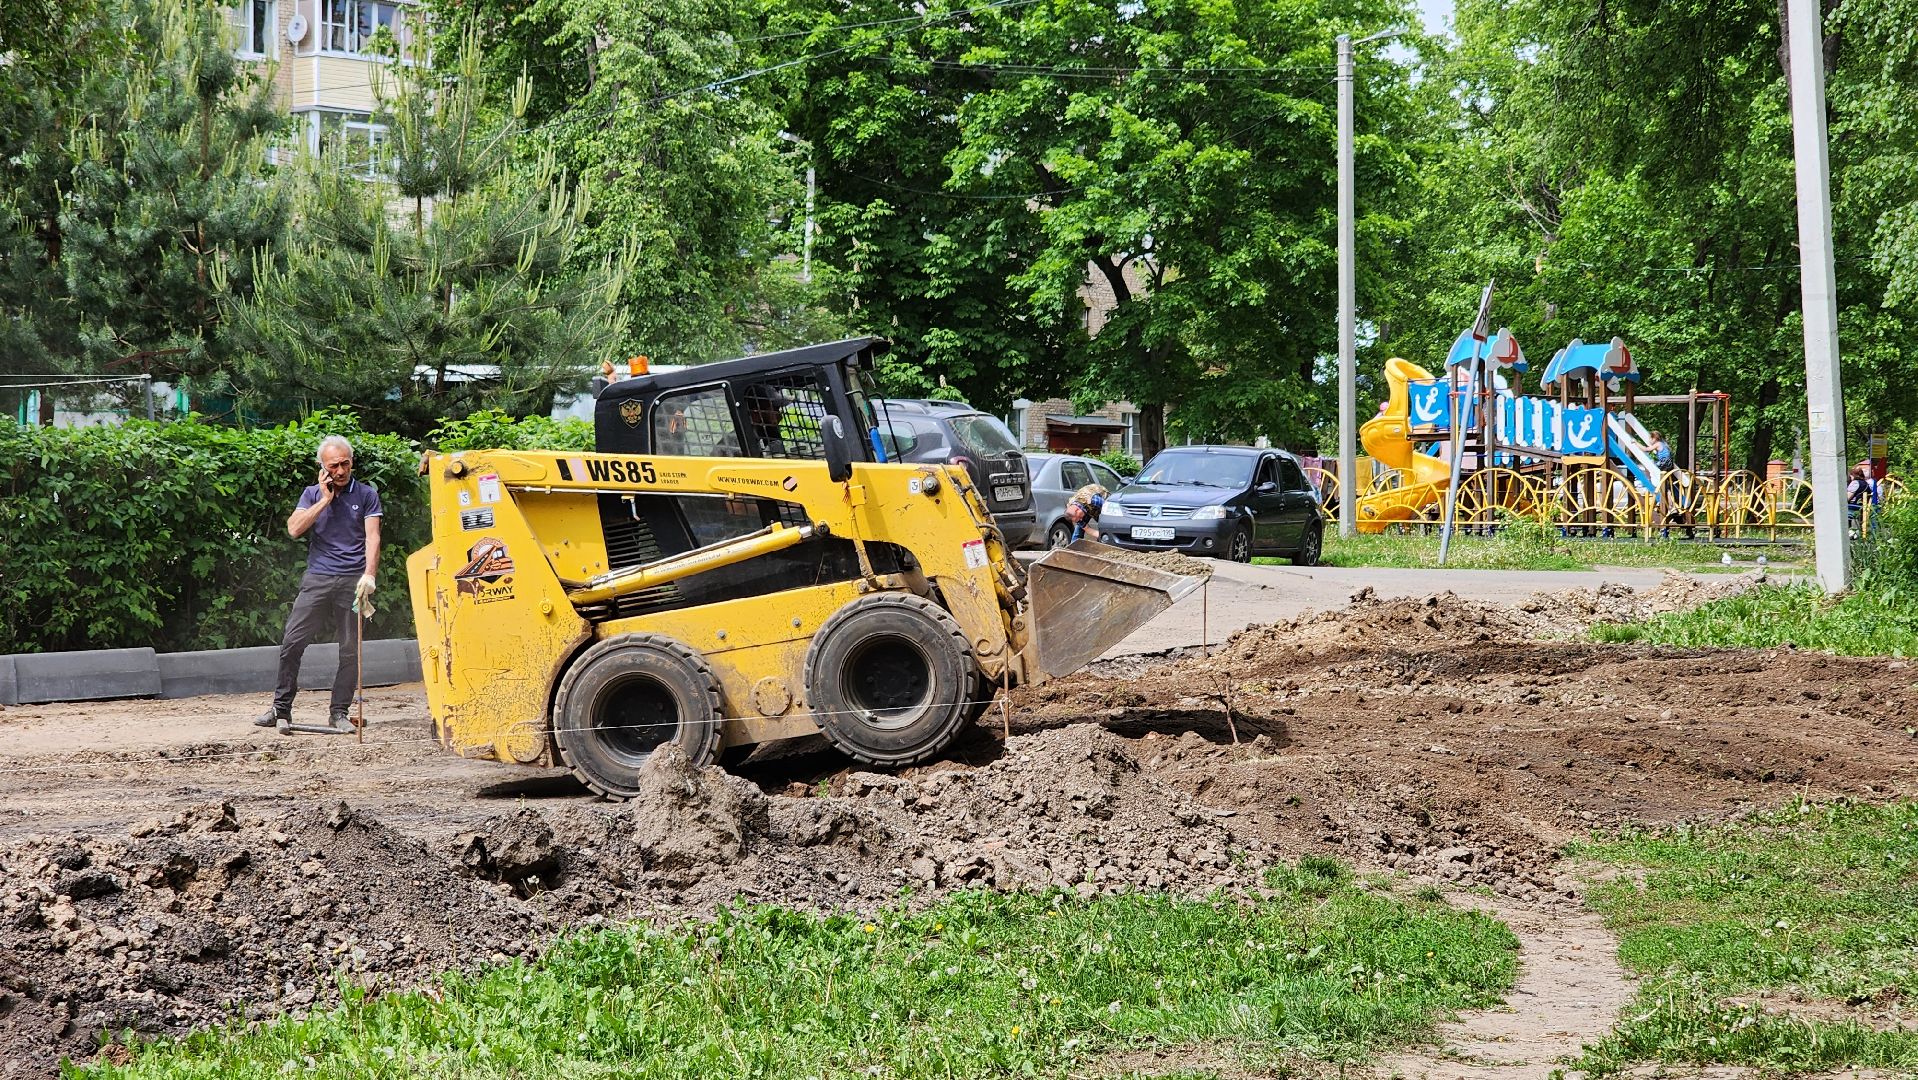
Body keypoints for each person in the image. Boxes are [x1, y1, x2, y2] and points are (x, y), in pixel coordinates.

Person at [254, 435, 382, 735]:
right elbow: (294, 529)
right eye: (333, 466)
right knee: (292, 642)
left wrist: (370, 575)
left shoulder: (366, 494)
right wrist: (325, 500)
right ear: (322, 468)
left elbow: (373, 537)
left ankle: (339, 712)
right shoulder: (312, 494)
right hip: (318, 577)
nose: (340, 471)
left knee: (350, 650)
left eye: (345, 464)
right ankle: (280, 708)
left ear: (352, 462)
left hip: (353, 579)